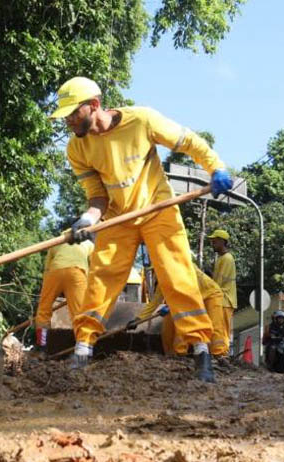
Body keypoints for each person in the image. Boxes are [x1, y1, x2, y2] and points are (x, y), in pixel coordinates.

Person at [49, 76, 233, 382]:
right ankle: (83, 349)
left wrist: (216, 167)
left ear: (93, 106)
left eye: (72, 113)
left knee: (178, 276)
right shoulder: (76, 148)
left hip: (157, 210)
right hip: (118, 216)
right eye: (65, 115)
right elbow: (97, 196)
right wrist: (88, 219)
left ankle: (201, 353)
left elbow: (189, 142)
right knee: (101, 278)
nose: (67, 120)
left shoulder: (142, 120)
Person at [127, 265, 229, 357]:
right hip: (192, 298)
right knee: (170, 325)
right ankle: (176, 354)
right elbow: (154, 303)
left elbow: (188, 293)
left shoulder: (182, 266)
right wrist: (137, 320)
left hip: (211, 294)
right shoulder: (164, 281)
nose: (156, 273)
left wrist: (172, 305)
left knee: (215, 325)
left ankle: (219, 354)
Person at [33, 235, 94, 354]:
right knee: (78, 313)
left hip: (54, 272)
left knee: (43, 310)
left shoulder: (58, 240)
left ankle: (41, 347)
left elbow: (47, 268)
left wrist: (48, 291)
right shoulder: (88, 243)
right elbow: (94, 267)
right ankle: (82, 348)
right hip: (76, 273)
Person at [208, 229, 237, 354]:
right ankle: (219, 353)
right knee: (218, 328)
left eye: (215, 241)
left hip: (225, 299)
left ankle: (221, 353)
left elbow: (219, 283)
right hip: (221, 299)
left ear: (222, 241)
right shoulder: (221, 259)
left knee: (222, 330)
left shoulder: (227, 258)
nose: (212, 243)